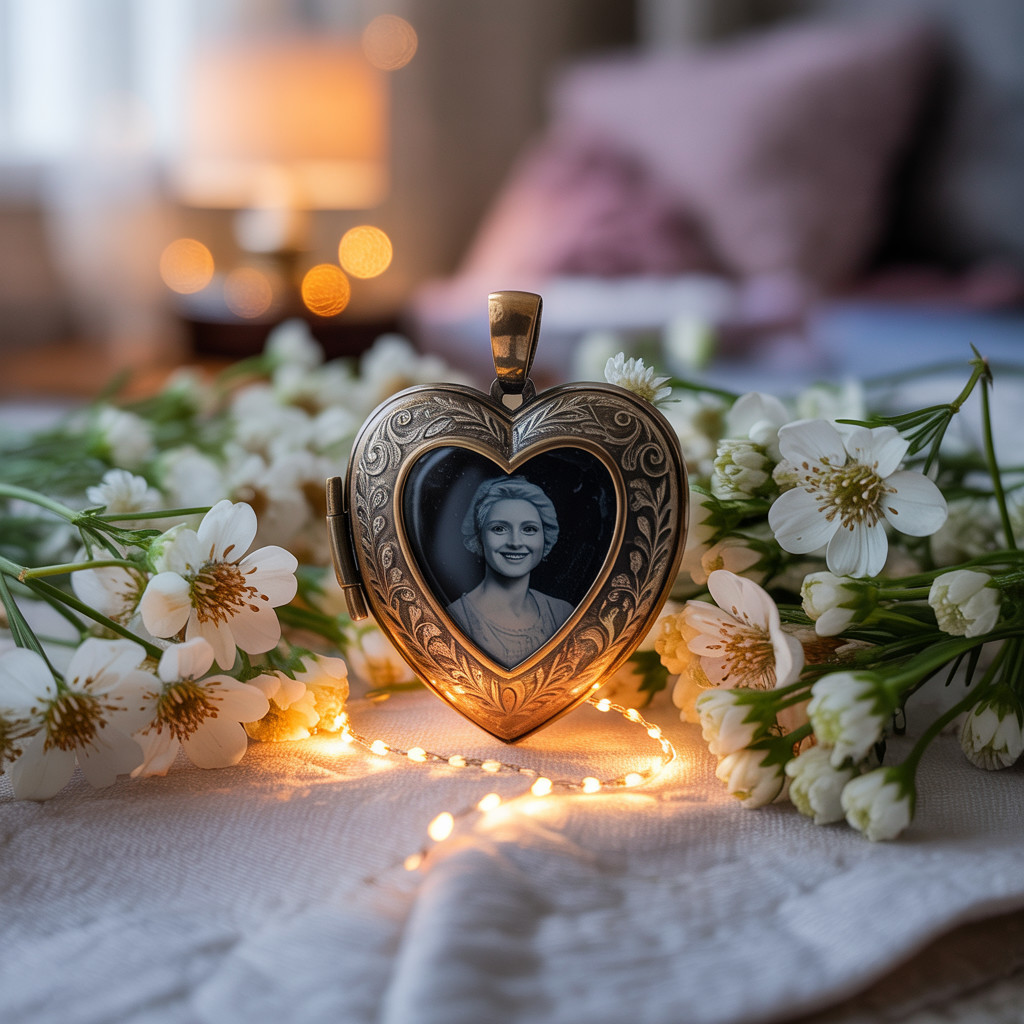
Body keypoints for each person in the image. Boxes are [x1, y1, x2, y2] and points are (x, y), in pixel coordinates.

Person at [447, 476, 574, 668]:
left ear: (545, 537)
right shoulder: (456, 619)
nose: (515, 542)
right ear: (479, 536)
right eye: (499, 529)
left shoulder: (562, 613)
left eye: (529, 529)